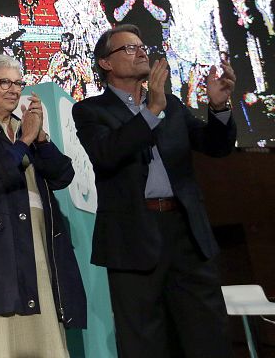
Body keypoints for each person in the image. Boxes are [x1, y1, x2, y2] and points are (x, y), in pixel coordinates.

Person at [72, 24, 236, 357]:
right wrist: (151, 112)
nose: (141, 51)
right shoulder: (91, 111)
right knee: (143, 340)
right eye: (129, 49)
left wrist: (219, 108)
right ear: (106, 63)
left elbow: (215, 147)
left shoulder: (171, 106)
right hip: (133, 235)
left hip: (186, 233)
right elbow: (107, 155)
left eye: (142, 46)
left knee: (207, 333)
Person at [0, 54, 85, 357]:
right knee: (1, 338)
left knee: (48, 333)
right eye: (5, 82)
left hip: (40, 235)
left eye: (18, 83)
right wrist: (24, 140)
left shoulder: (27, 128)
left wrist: (41, 140)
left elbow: (63, 175)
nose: (14, 89)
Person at [159, 0, 228, 108]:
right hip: (183, 54)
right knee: (188, 101)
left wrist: (221, 51)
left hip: (207, 54)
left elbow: (217, 26)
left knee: (217, 100)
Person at [54, 0, 112, 87]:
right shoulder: (61, 5)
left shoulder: (91, 1)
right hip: (76, 49)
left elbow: (104, 24)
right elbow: (74, 30)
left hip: (96, 46)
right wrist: (89, 15)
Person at [45, 32, 94, 101]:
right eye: (62, 42)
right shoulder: (58, 57)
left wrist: (75, 66)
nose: (63, 45)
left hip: (77, 95)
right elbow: (51, 73)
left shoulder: (78, 59)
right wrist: (67, 69)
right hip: (61, 92)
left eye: (66, 42)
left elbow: (88, 78)